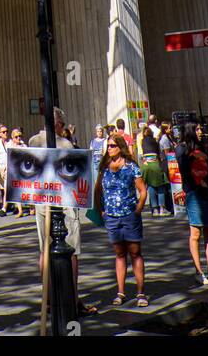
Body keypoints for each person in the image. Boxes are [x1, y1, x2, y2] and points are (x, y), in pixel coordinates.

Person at [28, 108, 98, 317]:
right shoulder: (65, 144)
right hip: (64, 200)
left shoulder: (33, 141)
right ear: (58, 124)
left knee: (44, 249)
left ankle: (48, 298)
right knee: (72, 250)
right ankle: (72, 299)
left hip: (41, 199)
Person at [94, 133, 148, 308]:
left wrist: (138, 210)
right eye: (108, 146)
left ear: (120, 147)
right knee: (119, 254)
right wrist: (101, 210)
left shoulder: (131, 167)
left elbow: (142, 190)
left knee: (135, 252)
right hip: (112, 217)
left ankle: (140, 292)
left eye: (112, 146)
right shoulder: (104, 167)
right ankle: (121, 292)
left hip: (129, 215)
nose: (109, 149)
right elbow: (97, 191)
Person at [177, 124, 208, 288]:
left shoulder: (202, 146)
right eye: (197, 129)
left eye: (200, 129)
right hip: (194, 194)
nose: (200, 132)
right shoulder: (182, 149)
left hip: (207, 192)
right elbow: (184, 172)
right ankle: (199, 271)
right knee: (195, 233)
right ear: (190, 131)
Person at [140, 125, 168, 217]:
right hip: (155, 164)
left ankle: (155, 209)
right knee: (160, 186)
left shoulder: (142, 141)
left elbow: (141, 154)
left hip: (146, 165)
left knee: (151, 186)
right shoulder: (155, 141)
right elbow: (159, 152)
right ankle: (162, 208)